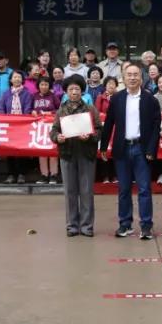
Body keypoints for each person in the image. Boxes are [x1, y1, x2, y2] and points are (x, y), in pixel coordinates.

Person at [100, 63, 162, 240]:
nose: (133, 78)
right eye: (129, 75)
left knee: (144, 189)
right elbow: (109, 123)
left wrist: (151, 149)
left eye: (136, 75)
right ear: (124, 78)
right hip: (122, 148)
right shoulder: (117, 98)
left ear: (141, 78)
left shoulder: (150, 100)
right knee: (124, 189)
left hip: (142, 149)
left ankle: (146, 226)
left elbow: (156, 126)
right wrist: (103, 146)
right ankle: (125, 224)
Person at [51, 75, 101, 237]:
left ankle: (87, 226)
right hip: (67, 154)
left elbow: (99, 131)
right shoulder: (61, 110)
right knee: (70, 191)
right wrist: (57, 137)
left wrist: (90, 137)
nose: (74, 92)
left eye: (77, 89)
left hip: (86, 154)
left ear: (82, 91)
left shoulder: (90, 109)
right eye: (71, 89)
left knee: (86, 191)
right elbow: (54, 130)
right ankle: (72, 226)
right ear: (66, 92)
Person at [0, 70, 33, 184]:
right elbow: (1, 108)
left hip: (22, 126)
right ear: (11, 80)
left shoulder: (27, 94)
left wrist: (22, 121)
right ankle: (11, 174)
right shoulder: (6, 93)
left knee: (21, 151)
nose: (17, 79)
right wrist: (5, 119)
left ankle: (21, 174)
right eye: (15, 77)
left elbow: (28, 109)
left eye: (19, 77)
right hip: (9, 126)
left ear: (22, 80)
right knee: (10, 150)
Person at [32, 76, 61, 184]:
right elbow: (30, 109)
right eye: (42, 84)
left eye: (46, 84)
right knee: (42, 152)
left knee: (52, 151)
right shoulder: (34, 96)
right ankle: (44, 175)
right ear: (38, 86)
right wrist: (32, 112)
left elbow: (60, 109)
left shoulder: (53, 96)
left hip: (52, 127)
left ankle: (54, 175)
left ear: (49, 86)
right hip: (39, 128)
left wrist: (50, 113)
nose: (44, 87)